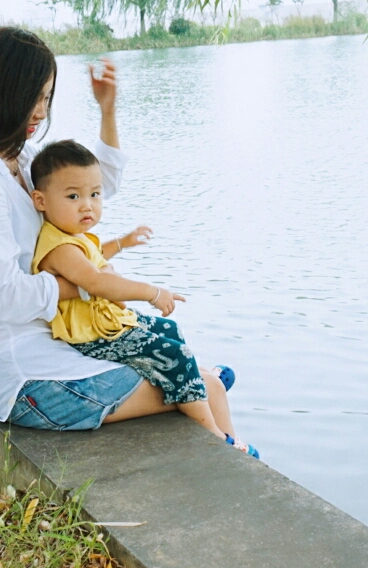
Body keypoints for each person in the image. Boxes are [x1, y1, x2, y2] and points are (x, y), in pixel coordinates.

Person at [0, 26, 242, 443]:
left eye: (46, 97)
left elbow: (94, 191)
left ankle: (237, 452)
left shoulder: (17, 158)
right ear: (1, 94)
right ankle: (238, 455)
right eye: (34, 97)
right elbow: (7, 298)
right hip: (30, 378)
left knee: (193, 373)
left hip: (65, 345)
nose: (41, 112)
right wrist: (87, 284)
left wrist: (107, 111)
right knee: (203, 385)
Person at [27, 139, 252, 451]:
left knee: (167, 331)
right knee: (173, 354)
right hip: (92, 335)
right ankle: (215, 434)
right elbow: (95, 281)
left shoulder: (70, 236)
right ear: (40, 200)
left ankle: (189, 382)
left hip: (106, 322)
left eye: (95, 194)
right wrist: (152, 292)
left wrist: (122, 242)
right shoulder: (59, 246)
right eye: (73, 196)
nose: (87, 205)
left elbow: (92, 256)